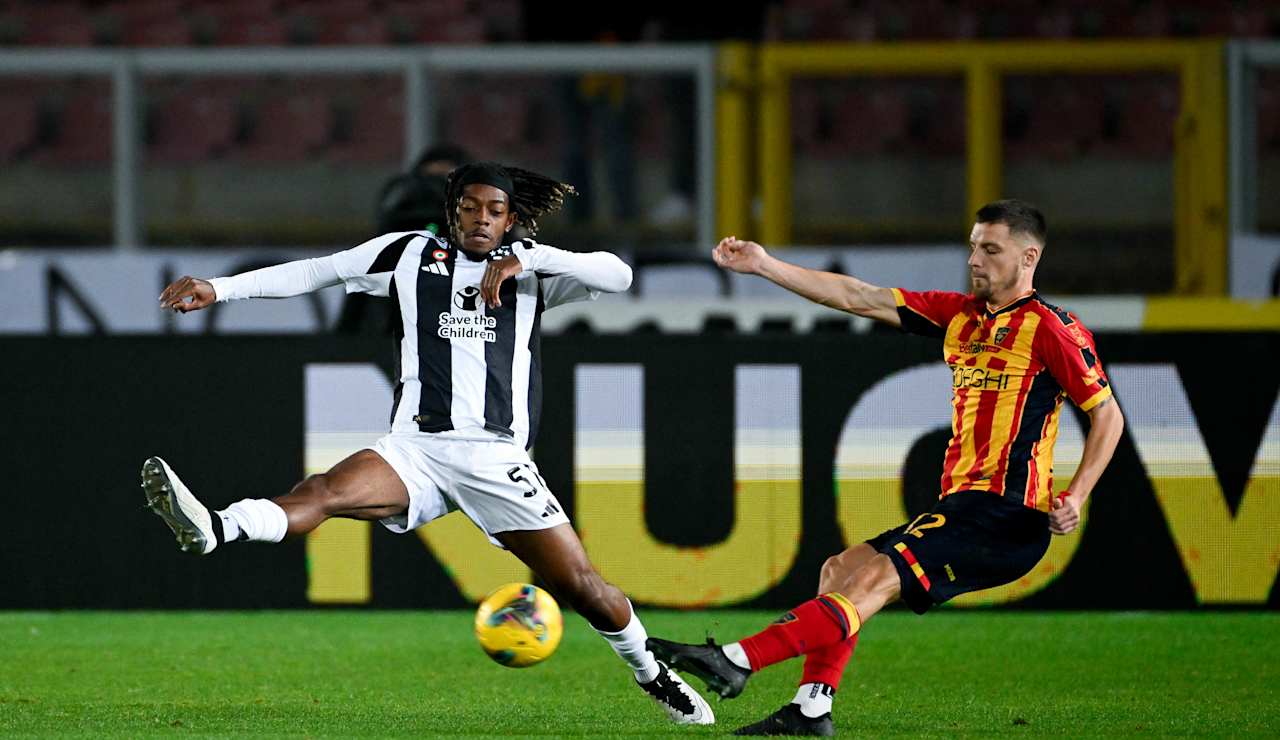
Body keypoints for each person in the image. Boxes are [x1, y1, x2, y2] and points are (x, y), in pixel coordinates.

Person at [144, 161, 715, 727]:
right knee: (323, 491)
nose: (481, 220)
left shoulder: (532, 272)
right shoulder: (407, 254)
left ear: (512, 218)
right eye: (469, 207)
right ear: (452, 212)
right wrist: (219, 288)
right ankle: (217, 527)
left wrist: (531, 256)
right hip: (416, 447)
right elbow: (317, 272)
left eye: (495, 211)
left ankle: (653, 675)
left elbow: (619, 275)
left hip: (496, 458)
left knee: (586, 589)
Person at [646, 199, 1126, 736]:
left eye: (991, 250)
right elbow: (858, 295)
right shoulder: (961, 317)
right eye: (973, 246)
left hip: (1007, 515)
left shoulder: (1050, 329)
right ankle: (811, 710)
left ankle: (737, 659)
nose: (975, 260)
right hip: (963, 507)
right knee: (840, 572)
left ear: (1029, 257)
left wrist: (1078, 495)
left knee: (872, 580)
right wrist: (763, 264)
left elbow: (1106, 416)